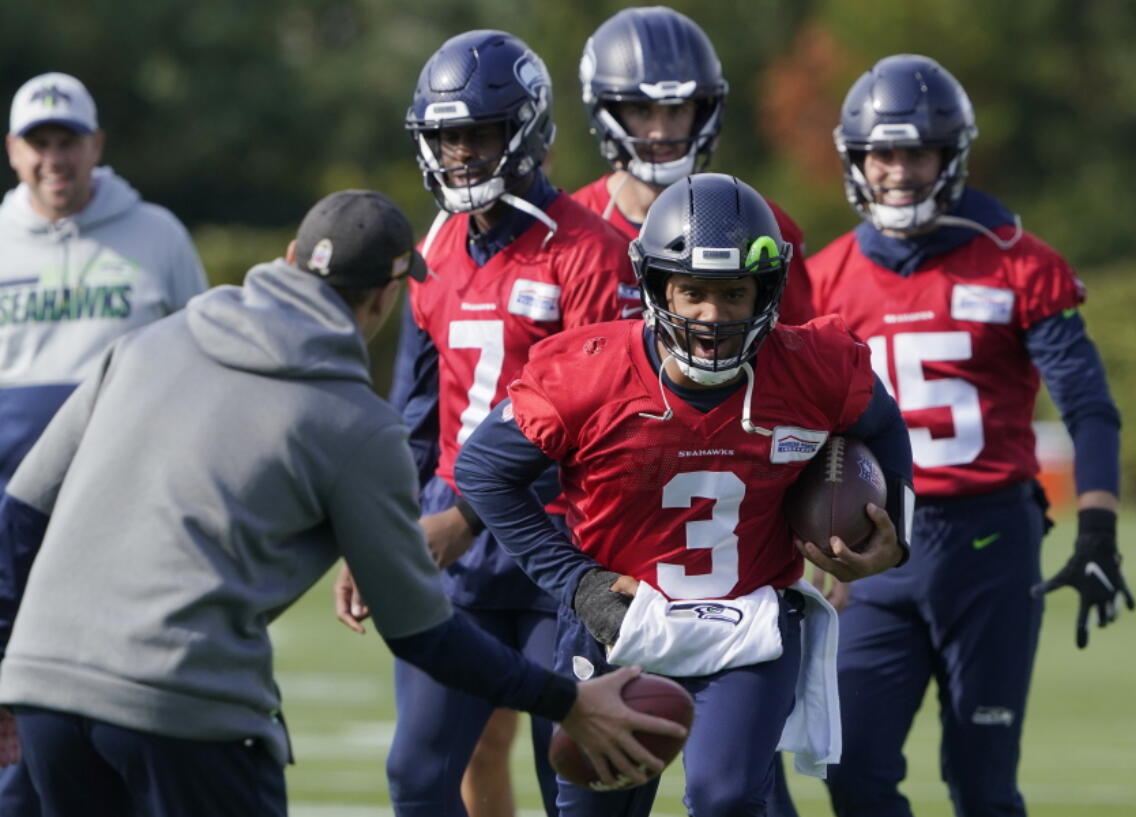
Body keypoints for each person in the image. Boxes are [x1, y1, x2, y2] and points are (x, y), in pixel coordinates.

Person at [0, 189, 684, 817]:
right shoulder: (355, 424)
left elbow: (20, 513)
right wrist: (564, 701)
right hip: (185, 703)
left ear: (289, 258)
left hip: (43, 691)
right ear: (387, 297)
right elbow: (423, 633)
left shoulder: (142, 344)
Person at [453, 173, 915, 817]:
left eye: (733, 293)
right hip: (619, 627)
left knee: (725, 799)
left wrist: (893, 525)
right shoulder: (588, 370)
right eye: (692, 292)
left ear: (767, 289)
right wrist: (575, 581)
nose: (712, 315)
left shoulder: (815, 366)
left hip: (748, 624)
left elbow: (883, 422)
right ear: (655, 286)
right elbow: (481, 471)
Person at [804, 55, 1134, 817]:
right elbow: (793, 426)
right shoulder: (824, 279)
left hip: (989, 538)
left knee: (983, 784)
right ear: (856, 159)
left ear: (949, 156)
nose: (897, 171)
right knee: (850, 771)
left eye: (915, 151)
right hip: (872, 545)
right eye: (882, 153)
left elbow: (1087, 402)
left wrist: (1099, 525)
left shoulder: (1019, 261)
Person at [331, 31, 641, 817]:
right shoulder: (434, 247)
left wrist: (468, 515)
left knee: (577, 773)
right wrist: (379, 533)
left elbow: (602, 422)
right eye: (446, 135)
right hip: (458, 559)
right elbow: (414, 414)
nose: (461, 152)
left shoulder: (592, 253)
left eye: (479, 131)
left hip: (563, 552)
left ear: (527, 130)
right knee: (420, 770)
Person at [0, 70, 208, 814]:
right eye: (39, 143)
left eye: (68, 141)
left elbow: (199, 361)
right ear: (14, 152)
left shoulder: (156, 233)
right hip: (12, 524)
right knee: (18, 700)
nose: (55, 158)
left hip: (129, 510)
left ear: (97, 145)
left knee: (133, 693)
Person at [571, 5, 815, 326]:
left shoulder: (762, 225)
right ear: (608, 112)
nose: (660, 132)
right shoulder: (569, 231)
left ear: (703, 111)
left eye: (677, 110)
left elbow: (796, 355)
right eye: (642, 111)